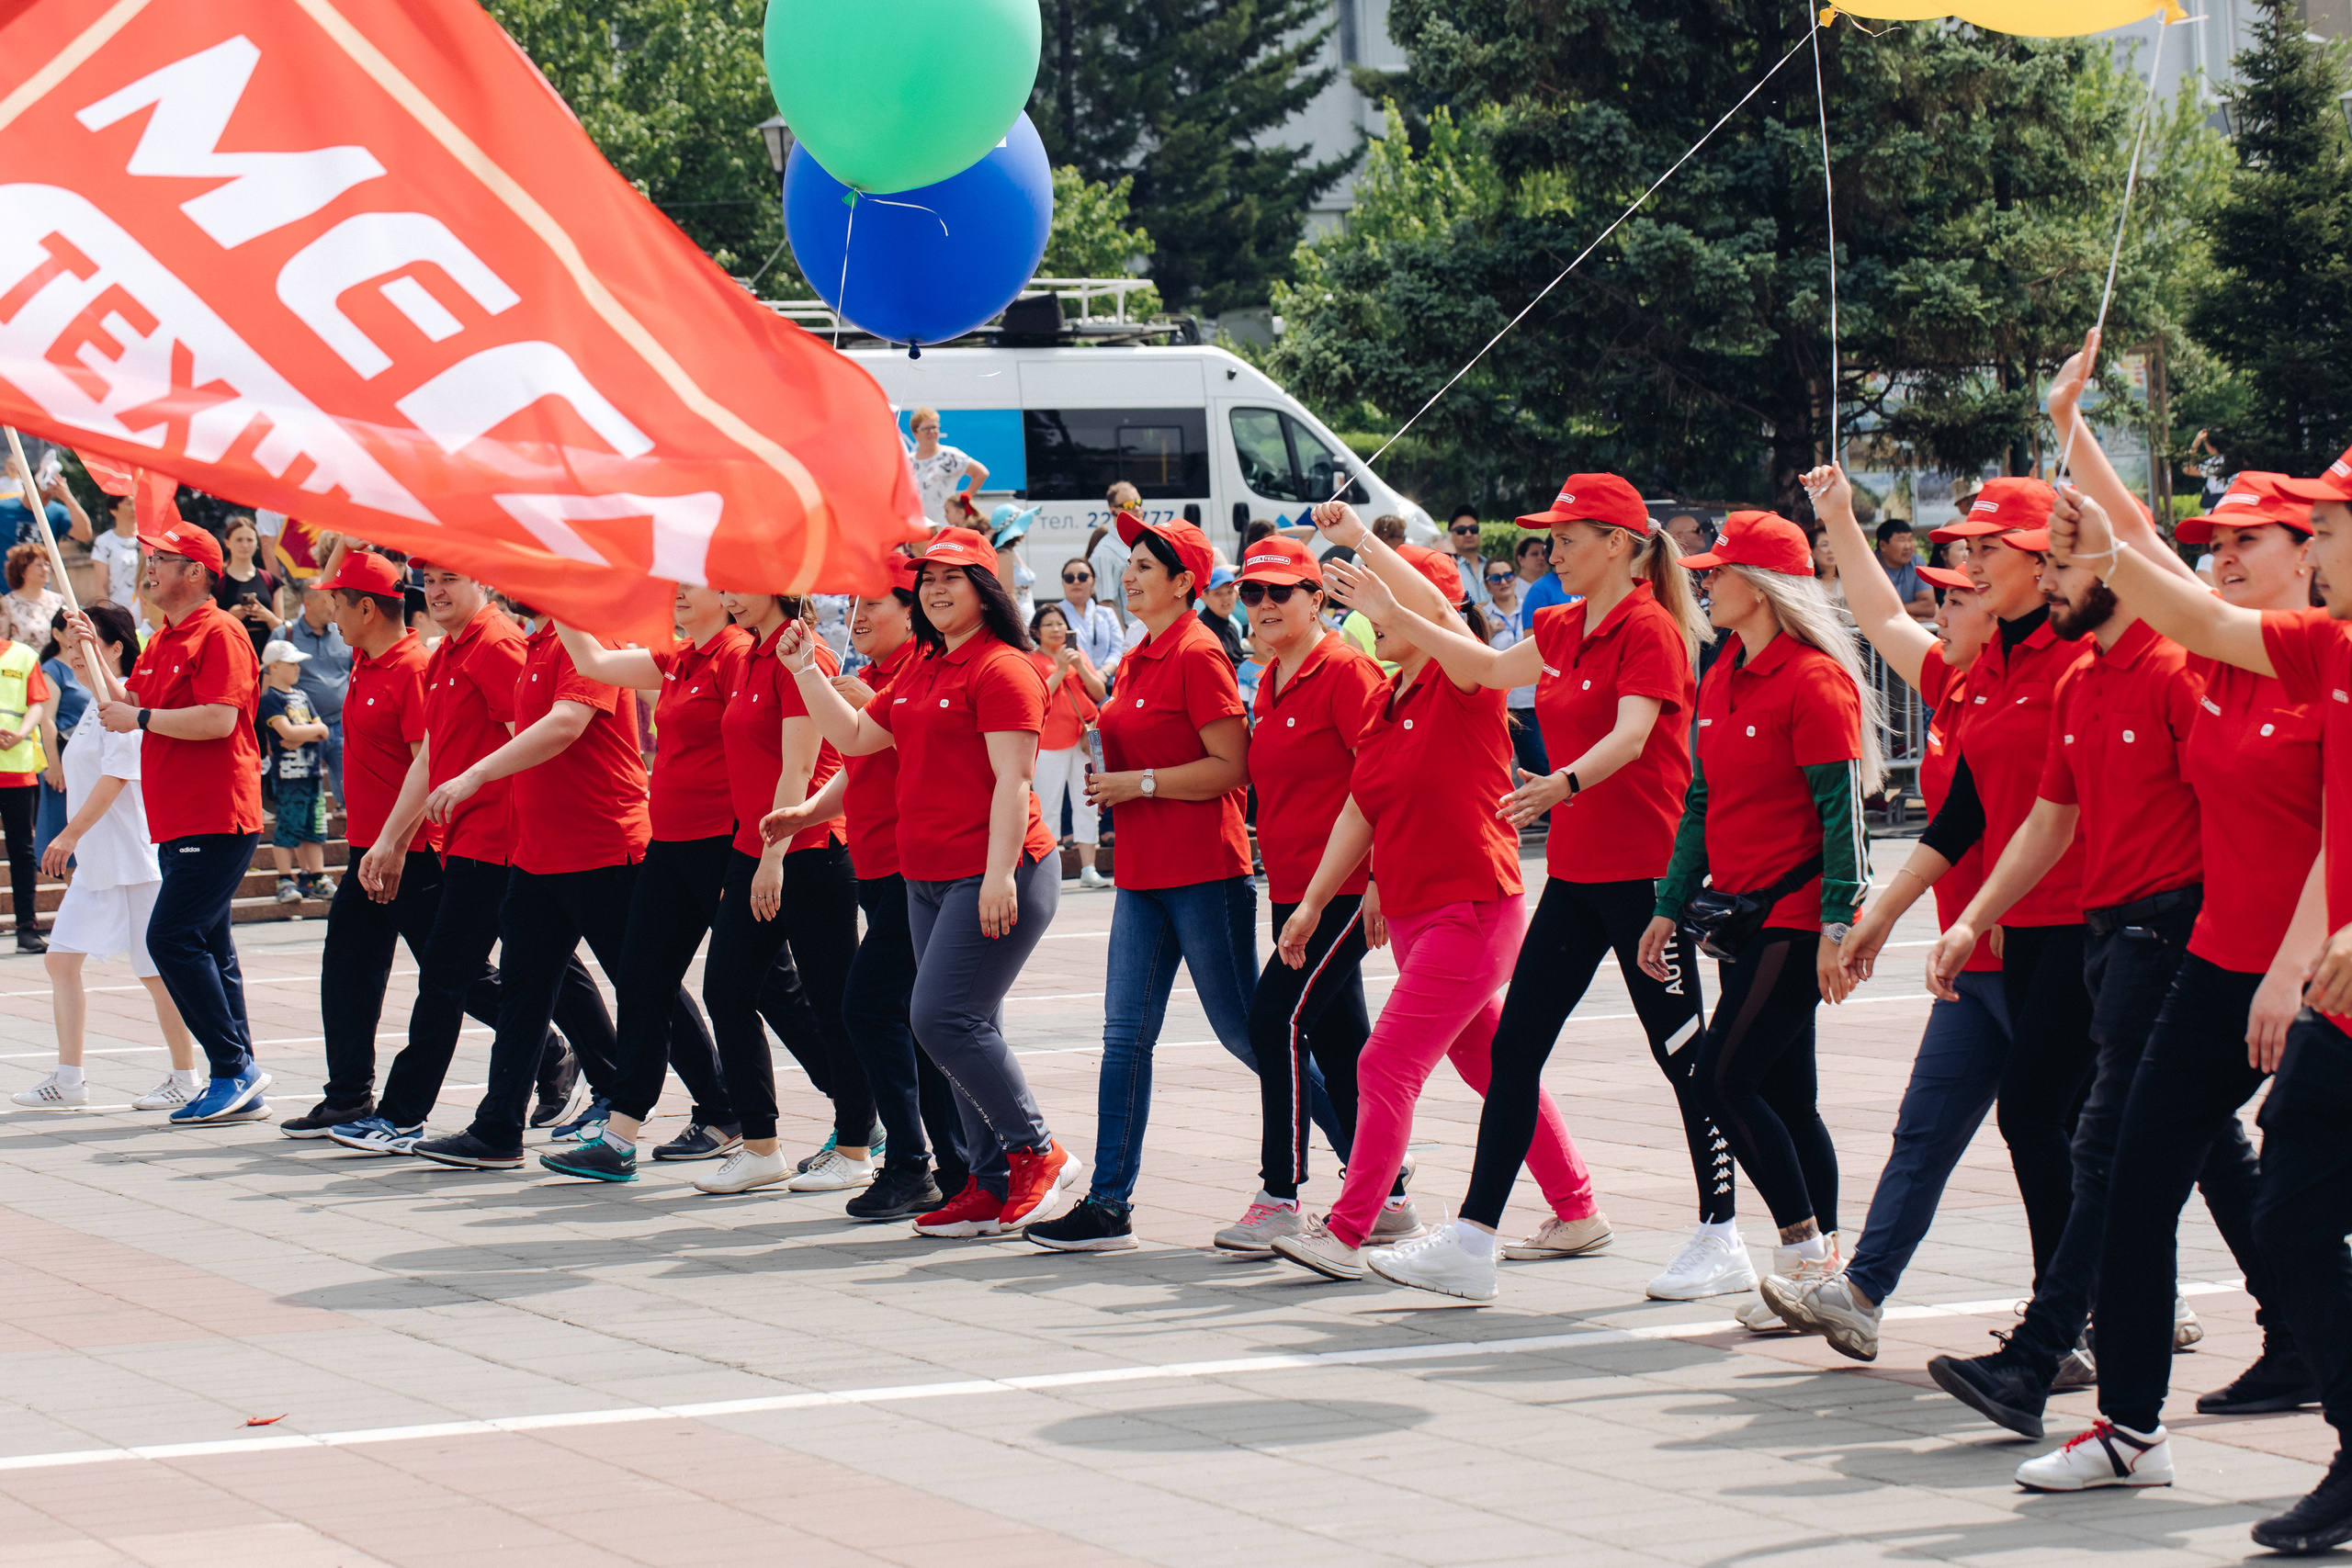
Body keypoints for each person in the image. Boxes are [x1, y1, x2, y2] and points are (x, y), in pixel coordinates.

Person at [2045, 438, 2352, 1549]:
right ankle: (2128, 1428)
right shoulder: (2238, 654)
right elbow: (2148, 567)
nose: (2221, 557)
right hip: (2222, 965)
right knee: (2133, 1182)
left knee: (2297, 1215)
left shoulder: (2323, 657)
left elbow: (2339, 841)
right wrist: (2077, 434)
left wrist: (2297, 965)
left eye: (2255, 539)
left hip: (2309, 980)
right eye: (2210, 542)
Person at [1343, 474, 1713, 1303]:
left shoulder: (1651, 627)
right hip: (1577, 873)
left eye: (1571, 538)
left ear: (1619, 544)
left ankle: (1724, 1230)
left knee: (1682, 1054)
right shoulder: (1559, 622)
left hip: (1647, 874)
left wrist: (1562, 784)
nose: (1553, 553)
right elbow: (1476, 660)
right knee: (1513, 1052)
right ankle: (1472, 1243)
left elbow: (1633, 734)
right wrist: (1376, 571)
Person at [1916, 467, 2212, 1446]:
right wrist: (1966, 919)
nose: (1981, 570)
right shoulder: (2083, 675)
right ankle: (2283, 1337)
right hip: (2099, 933)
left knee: (2098, 1144)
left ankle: (2049, 1356)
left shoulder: (2176, 667)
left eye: (2003, 555)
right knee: (2219, 1159)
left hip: (2167, 935)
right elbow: (2045, 817)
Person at [1265, 522, 1602, 1282]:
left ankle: (1349, 1231)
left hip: (1473, 909)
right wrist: (1316, 902)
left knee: (1383, 1064)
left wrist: (1361, 540)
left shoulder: (1466, 682)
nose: (1373, 623)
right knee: (1494, 1067)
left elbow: (1446, 621)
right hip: (1420, 917)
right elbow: (1361, 808)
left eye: (1384, 611)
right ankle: (1578, 1208)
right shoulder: (1386, 698)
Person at [1026, 511, 1345, 1253]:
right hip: (1141, 876)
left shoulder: (1199, 653)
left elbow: (1233, 767)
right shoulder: (1142, 654)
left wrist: (1139, 783)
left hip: (1205, 872)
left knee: (1251, 1034)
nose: (1127, 573)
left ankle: (1370, 1159)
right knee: (1123, 1040)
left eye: (1144, 564)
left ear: (1184, 583)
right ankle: (1109, 1204)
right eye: (1128, 562)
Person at [1760, 481, 2016, 1359]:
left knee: (2096, 1140)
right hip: (1971, 960)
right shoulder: (1951, 680)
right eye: (1938, 590)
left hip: (2050, 952)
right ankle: (1862, 1291)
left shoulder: (2044, 685)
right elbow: (1874, 608)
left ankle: (2135, 1291)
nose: (1939, 603)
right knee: (1926, 1126)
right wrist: (1835, 516)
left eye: (1960, 593)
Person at [780, 525, 1084, 1237]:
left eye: (952, 577)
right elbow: (856, 738)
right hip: (923, 876)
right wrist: (805, 672)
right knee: (962, 1027)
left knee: (939, 1018)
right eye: (927, 579)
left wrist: (999, 873)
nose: (936, 589)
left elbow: (1014, 779)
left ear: (985, 589)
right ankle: (986, 1181)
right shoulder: (922, 667)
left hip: (992, 871)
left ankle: (1038, 1150)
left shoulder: (1004, 668)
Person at [1639, 509, 1876, 1311]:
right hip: (1738, 910)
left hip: (1799, 913)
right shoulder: (1725, 668)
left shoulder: (1815, 681)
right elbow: (1701, 801)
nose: (1704, 579)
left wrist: (1840, 927)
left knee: (1721, 1078)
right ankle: (1825, 1272)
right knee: (1785, 1097)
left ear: (1765, 587)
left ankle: (1806, 1255)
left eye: (1718, 570)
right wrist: (1669, 905)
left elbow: (1845, 817)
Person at [531, 584, 828, 1182]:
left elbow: (776, 753)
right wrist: (556, 592)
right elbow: (591, 662)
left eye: (696, 588)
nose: (682, 596)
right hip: (668, 848)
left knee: (775, 993)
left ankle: (858, 1112)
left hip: (726, 846)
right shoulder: (678, 657)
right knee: (642, 980)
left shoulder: (737, 656)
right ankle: (620, 1136)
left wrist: (766, 850)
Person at [326, 565, 609, 1156]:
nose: (435, 592)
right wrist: (393, 837)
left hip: (508, 840)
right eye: (427, 581)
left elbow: (532, 737)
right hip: (473, 841)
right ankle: (602, 1081)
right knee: (546, 978)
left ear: (482, 579)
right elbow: (430, 755)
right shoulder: (450, 652)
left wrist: (492, 801)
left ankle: (406, 1112)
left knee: (457, 973)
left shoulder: (498, 643)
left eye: (450, 578)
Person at [758, 556, 981, 1221]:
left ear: (908, 614)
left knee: (876, 1008)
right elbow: (861, 760)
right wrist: (810, 811)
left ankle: (929, 1160)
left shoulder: (919, 673)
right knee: (914, 1022)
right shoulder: (880, 677)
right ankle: (949, 1163)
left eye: (871, 606)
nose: (856, 619)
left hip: (922, 871)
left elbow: (924, 756)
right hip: (879, 862)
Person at [1210, 535, 1390, 1253]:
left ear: (1318, 599)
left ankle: (1280, 1193)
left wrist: (1378, 877)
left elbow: (1384, 780)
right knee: (1344, 1043)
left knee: (1272, 1021)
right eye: (1251, 593)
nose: (1261, 605)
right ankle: (1388, 1190)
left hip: (1340, 888)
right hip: (1292, 887)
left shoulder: (1347, 672)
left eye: (1279, 592)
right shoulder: (1271, 678)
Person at [668, 590, 875, 1195]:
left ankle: (858, 1145)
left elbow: (799, 765)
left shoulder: (802, 654)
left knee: (835, 1004)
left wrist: (773, 857)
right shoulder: (749, 657)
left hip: (806, 853)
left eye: (741, 582)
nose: (729, 593)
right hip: (751, 848)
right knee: (727, 989)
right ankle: (760, 1145)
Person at [95, 518, 267, 1124]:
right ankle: (241, 1071)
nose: (150, 569)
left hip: (216, 810)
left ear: (196, 571)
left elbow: (218, 720)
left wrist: (139, 719)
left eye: (161, 559)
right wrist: (88, 652)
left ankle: (230, 1067)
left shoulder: (218, 632)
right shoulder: (166, 637)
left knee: (170, 936)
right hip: (179, 816)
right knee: (211, 946)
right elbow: (122, 704)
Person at [10, 602, 198, 1112]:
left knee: (155, 972)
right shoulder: (95, 709)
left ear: (114, 647)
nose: (70, 655)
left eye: (81, 644)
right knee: (61, 960)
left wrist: (67, 835)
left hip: (137, 864)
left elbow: (117, 779)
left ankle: (187, 1076)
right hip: (99, 866)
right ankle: (69, 1079)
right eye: (67, 645)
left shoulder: (127, 707)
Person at [1026, 602, 1108, 890]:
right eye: (1049, 624)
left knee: (1086, 802)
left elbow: (1098, 691)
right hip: (1049, 742)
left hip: (1082, 741)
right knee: (1047, 807)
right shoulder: (1030, 659)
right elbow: (1038, 697)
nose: (1057, 629)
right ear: (1036, 631)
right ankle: (1050, 871)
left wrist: (1077, 666)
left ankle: (1089, 868)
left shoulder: (1078, 654)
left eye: (1060, 623)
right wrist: (1060, 669)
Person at [256, 640, 332, 903]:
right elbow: (287, 732)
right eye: (292, 664)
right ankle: (285, 879)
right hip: (288, 776)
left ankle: (317, 876)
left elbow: (323, 730)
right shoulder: (271, 699)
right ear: (273, 667)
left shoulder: (302, 695)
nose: (298, 668)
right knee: (288, 825)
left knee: (315, 826)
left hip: (311, 773)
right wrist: (307, 733)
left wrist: (300, 736)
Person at [0, 621, 51, 953]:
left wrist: (20, 734)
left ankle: (26, 928)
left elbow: (38, 702)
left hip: (16, 766)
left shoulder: (24, 655)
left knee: (21, 851)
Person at [1481, 557, 1549, 786]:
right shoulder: (1481, 615)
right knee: (1497, 768)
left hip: (1529, 700)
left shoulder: (1532, 608)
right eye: (1495, 578)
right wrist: (1486, 632)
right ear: (1486, 584)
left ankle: (1548, 817)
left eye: (1508, 575)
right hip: (1497, 703)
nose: (1503, 581)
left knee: (1538, 763)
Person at [284, 584, 352, 810]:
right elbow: (270, 682)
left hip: (342, 723)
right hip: (302, 728)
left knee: (350, 790)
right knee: (304, 799)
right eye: (327, 600)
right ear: (308, 603)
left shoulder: (345, 632)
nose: (333, 607)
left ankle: (346, 814)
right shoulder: (286, 633)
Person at [35, 609, 88, 863]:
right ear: (57, 634)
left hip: (90, 761)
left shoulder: (89, 666)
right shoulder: (51, 669)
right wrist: (53, 765)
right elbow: (46, 720)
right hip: (64, 759)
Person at [210, 516, 285, 663]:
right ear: (227, 543)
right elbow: (207, 625)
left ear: (257, 543)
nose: (245, 545)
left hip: (266, 658)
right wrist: (230, 617)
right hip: (229, 655)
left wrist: (268, 617)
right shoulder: (216, 582)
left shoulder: (271, 581)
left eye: (249, 540)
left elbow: (282, 628)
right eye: (239, 540)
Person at [908, 407, 989, 526]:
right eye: (926, 428)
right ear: (915, 433)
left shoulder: (949, 455)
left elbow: (981, 473)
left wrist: (966, 497)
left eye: (934, 427)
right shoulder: (908, 461)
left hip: (943, 524)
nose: (931, 432)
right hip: (918, 526)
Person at [1056, 555, 1125, 680]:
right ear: (1062, 582)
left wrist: (1104, 673)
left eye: (1082, 577)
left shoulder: (1107, 613)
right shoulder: (1053, 614)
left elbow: (1118, 649)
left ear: (1093, 581)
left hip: (1106, 683)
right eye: (1069, 578)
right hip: (1070, 683)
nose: (1076, 582)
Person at [87, 493, 142, 623]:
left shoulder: (149, 540)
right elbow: (101, 586)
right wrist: (105, 619)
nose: (134, 508)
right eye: (128, 503)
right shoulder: (104, 542)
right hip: (118, 613)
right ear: (113, 510)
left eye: (135, 503)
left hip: (146, 611)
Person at [3, 543, 65, 650]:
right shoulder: (7, 604)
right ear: (22, 571)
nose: (45, 569)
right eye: (39, 565)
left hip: (51, 666)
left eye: (47, 564)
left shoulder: (59, 601)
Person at [1875, 519, 1936, 622]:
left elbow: (1929, 607)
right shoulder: (1870, 564)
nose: (1908, 546)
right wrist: (1913, 616)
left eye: (1910, 539)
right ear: (1883, 545)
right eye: (1901, 540)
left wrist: (1893, 612)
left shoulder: (1917, 561)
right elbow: (1873, 611)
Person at [1197, 565, 1248, 665]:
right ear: (1204, 596)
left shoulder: (1231, 626)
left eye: (1229, 592)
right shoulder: (1202, 630)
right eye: (1218, 594)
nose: (1225, 599)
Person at [1446, 507, 1490, 606]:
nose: (1468, 534)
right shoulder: (1449, 568)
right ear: (1450, 534)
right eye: (1461, 530)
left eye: (1473, 529)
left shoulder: (1491, 566)